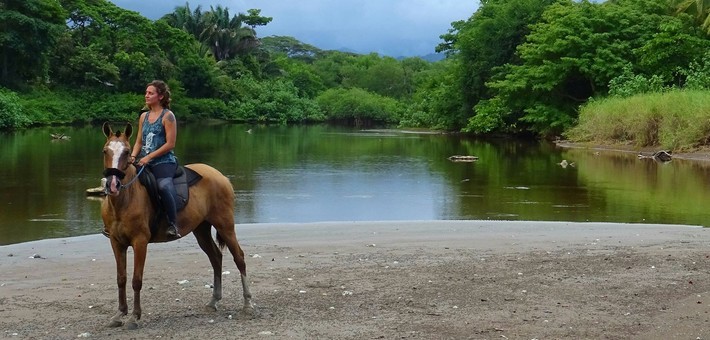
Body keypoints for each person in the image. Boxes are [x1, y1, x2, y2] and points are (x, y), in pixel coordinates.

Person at [129, 80, 181, 239]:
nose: (146, 95)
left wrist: (148, 157)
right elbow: (139, 141)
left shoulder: (168, 116)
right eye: (146, 92)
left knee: (163, 186)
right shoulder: (143, 116)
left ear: (160, 96)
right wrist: (132, 156)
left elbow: (170, 144)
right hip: (143, 160)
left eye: (150, 93)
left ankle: (173, 224)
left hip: (164, 162)